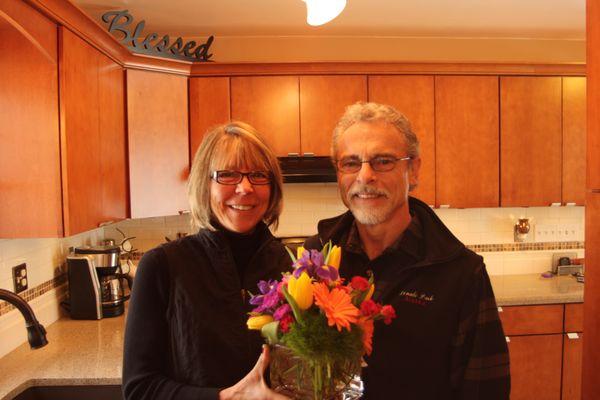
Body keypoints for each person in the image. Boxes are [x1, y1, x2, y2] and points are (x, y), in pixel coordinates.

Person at [304, 102, 510, 399]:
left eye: (383, 161)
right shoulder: (316, 259)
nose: (364, 176)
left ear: (412, 169)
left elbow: (486, 389)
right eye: (350, 163)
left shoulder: (460, 272)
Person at [123, 122, 291, 400]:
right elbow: (139, 390)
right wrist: (226, 398)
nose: (245, 187)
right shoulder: (162, 266)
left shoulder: (292, 268)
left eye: (259, 175)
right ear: (204, 183)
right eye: (227, 174)